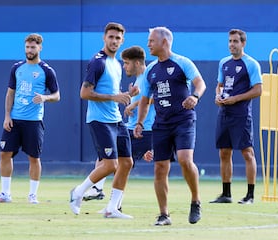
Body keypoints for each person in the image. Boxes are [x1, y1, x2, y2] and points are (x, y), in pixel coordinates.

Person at [134, 26, 206, 226]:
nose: (148, 44)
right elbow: (145, 100)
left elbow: (201, 83)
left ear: (164, 42)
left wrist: (195, 96)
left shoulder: (183, 63)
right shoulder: (150, 70)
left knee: (184, 159)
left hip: (184, 120)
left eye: (151, 41)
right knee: (159, 168)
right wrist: (139, 122)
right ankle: (164, 215)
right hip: (162, 124)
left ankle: (195, 201)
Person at [69, 22, 139, 219]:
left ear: (122, 40)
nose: (114, 41)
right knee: (111, 165)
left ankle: (112, 208)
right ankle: (78, 192)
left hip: (116, 120)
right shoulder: (98, 62)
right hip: (99, 120)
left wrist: (127, 94)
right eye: (111, 37)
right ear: (104, 38)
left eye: (118, 38)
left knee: (127, 163)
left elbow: (111, 92)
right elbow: (84, 93)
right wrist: (114, 97)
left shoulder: (116, 64)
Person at [0, 33, 60, 204]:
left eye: (33, 47)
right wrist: (7, 116)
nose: (29, 50)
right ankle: (5, 194)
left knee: (34, 157)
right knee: (5, 153)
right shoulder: (17, 68)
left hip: (34, 121)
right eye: (27, 47)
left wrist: (45, 98)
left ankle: (32, 195)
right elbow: (10, 93)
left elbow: (57, 95)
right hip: (14, 119)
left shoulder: (47, 71)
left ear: (40, 48)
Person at [82, 45, 155, 202]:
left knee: (122, 165)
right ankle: (100, 191)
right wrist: (129, 95)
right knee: (107, 158)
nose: (124, 66)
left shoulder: (148, 76)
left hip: (143, 130)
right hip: (131, 127)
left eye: (127, 63)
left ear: (136, 63)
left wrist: (133, 105)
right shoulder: (138, 79)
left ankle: (104, 198)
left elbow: (154, 97)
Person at [209, 29, 262, 205]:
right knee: (224, 152)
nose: (232, 44)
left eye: (235, 41)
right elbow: (220, 85)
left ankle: (250, 195)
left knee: (247, 153)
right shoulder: (224, 63)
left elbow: (258, 90)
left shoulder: (251, 64)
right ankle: (226, 194)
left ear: (243, 43)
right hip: (224, 113)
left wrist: (236, 99)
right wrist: (218, 96)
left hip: (241, 115)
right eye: (230, 41)